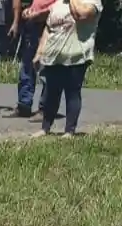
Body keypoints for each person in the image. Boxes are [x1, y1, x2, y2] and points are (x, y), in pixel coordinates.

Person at [33, 0, 102, 136]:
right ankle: (45, 128)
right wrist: (39, 52)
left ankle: (69, 131)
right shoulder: (58, 3)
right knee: (51, 93)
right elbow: (49, 28)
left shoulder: (93, 2)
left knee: (72, 93)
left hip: (76, 56)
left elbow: (81, 15)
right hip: (54, 56)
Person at [2, 0, 58, 118]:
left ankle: (45, 109)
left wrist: (39, 14)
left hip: (49, 27)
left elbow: (60, 7)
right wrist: (28, 10)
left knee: (46, 69)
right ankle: (24, 106)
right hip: (32, 26)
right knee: (27, 67)